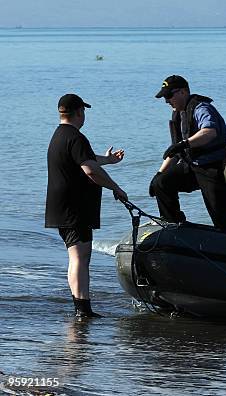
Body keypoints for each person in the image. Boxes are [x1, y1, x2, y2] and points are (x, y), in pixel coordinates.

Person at [45, 93, 128, 318]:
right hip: (74, 208)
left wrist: (109, 160)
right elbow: (90, 170)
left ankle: (81, 308)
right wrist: (116, 188)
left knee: (77, 256)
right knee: (80, 257)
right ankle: (83, 310)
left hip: (62, 208)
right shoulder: (76, 137)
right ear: (79, 112)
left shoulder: (60, 135)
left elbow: (86, 159)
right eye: (84, 112)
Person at [150, 75, 226, 233]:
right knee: (161, 183)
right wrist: (159, 173)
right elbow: (176, 152)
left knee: (221, 219)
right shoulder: (178, 114)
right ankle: (173, 226)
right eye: (164, 97)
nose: (167, 101)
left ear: (183, 92)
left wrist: (184, 144)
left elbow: (209, 132)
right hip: (192, 166)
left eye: (169, 95)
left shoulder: (202, 108)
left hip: (213, 168)